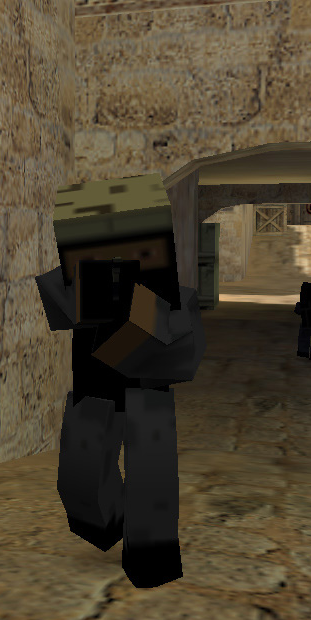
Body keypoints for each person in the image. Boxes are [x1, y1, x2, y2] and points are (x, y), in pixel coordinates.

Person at [35, 175, 206, 588]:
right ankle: (106, 525)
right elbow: (59, 302)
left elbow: (186, 345)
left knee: (151, 475)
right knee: (82, 477)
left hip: (147, 383)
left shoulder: (169, 296)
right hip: (94, 379)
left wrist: (158, 323)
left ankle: (151, 558)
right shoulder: (81, 286)